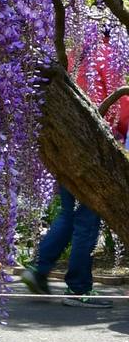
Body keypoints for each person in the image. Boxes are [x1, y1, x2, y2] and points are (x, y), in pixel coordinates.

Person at [21, 26, 129, 307]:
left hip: (66, 145)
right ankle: (78, 289)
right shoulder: (108, 54)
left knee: (70, 214)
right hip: (93, 148)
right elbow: (121, 106)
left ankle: (39, 270)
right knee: (87, 219)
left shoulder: (74, 53)